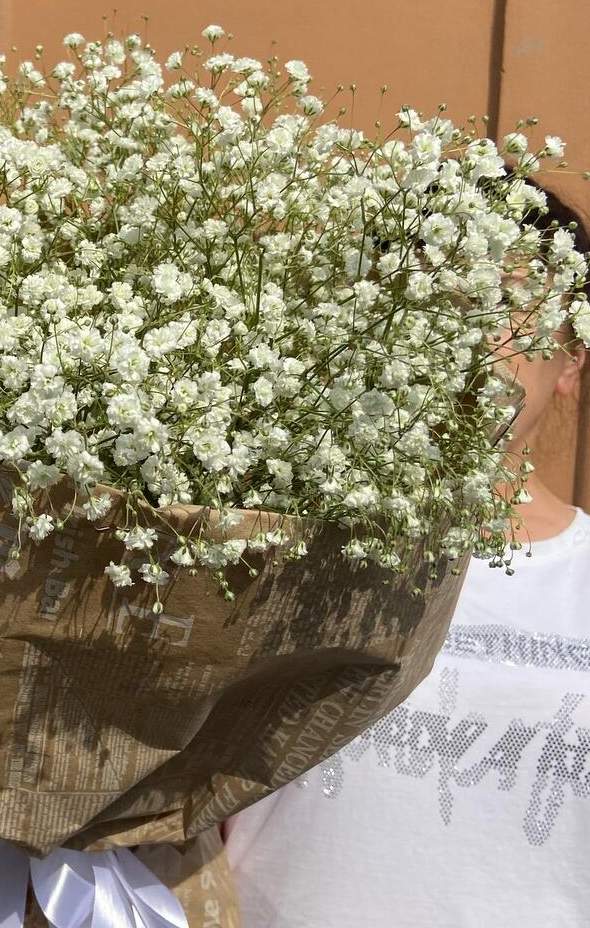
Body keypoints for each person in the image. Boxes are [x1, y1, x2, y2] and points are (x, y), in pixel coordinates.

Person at [226, 181, 590, 927]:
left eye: (502, 300)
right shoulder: (281, 546)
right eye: (435, 296)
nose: (465, 332)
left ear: (570, 356)